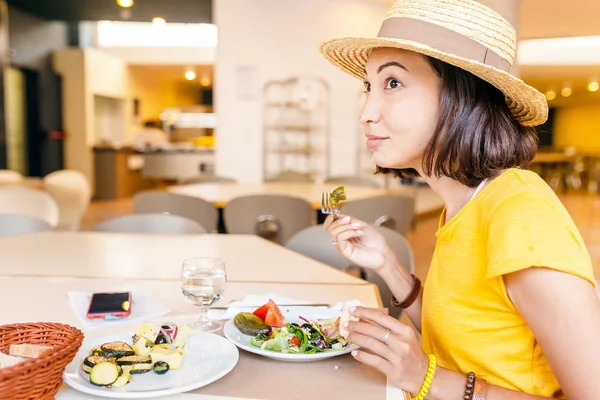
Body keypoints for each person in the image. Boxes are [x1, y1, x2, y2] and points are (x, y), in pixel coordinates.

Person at [320, 0, 600, 399]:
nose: (366, 112)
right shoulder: (464, 202)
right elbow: (458, 333)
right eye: (369, 86)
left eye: (393, 83)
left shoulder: (521, 212)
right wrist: (387, 264)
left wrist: (424, 378)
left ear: (461, 98)